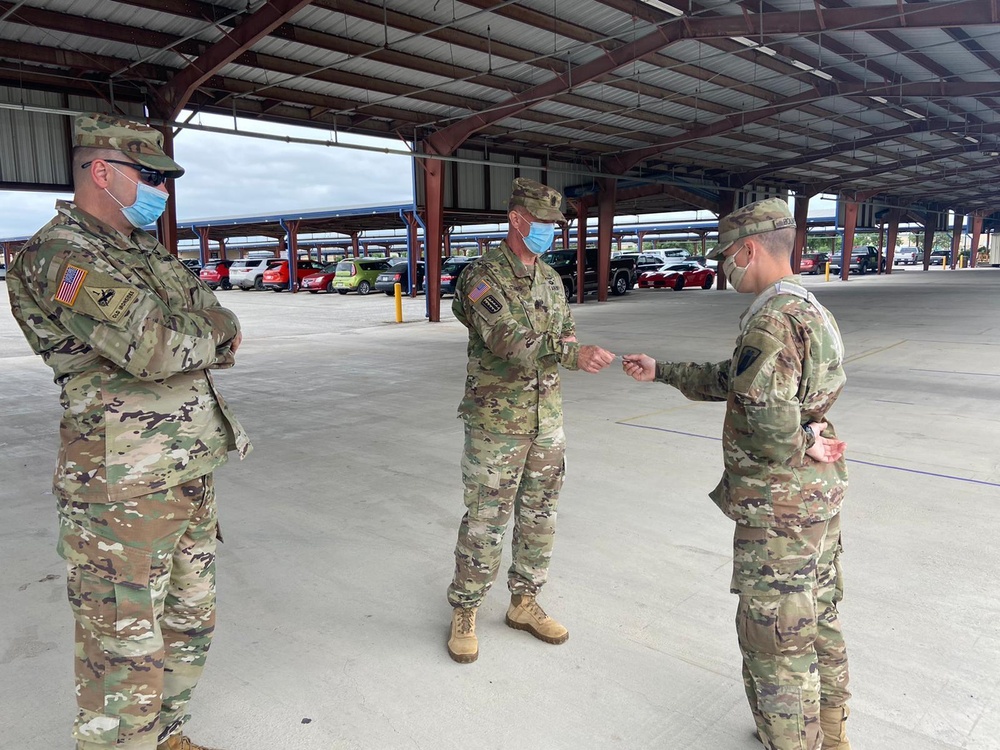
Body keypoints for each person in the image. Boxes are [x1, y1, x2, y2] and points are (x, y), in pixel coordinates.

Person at [6, 113, 251, 750]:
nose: (160, 191)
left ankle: (166, 736)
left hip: (187, 466)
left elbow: (217, 321)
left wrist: (205, 330)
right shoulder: (59, 255)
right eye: (149, 177)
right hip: (120, 486)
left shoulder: (144, 251)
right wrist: (205, 331)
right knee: (123, 651)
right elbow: (157, 348)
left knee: (189, 623)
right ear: (103, 172)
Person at [622, 198, 852, 750]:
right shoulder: (807, 308)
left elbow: (768, 425)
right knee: (817, 615)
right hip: (816, 498)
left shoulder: (770, 321)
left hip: (778, 506)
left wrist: (800, 439)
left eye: (726, 255)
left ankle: (792, 739)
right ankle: (834, 731)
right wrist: (663, 372)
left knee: (773, 634)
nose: (724, 267)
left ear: (749, 249)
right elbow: (739, 379)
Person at [446, 178, 616, 663]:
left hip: (547, 421)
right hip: (497, 425)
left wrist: (576, 352)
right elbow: (509, 342)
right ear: (517, 219)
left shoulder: (551, 279)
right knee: (485, 521)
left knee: (540, 518)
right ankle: (466, 609)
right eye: (542, 223)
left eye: (554, 225)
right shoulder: (481, 277)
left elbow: (564, 335)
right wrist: (570, 353)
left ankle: (524, 602)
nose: (550, 233)